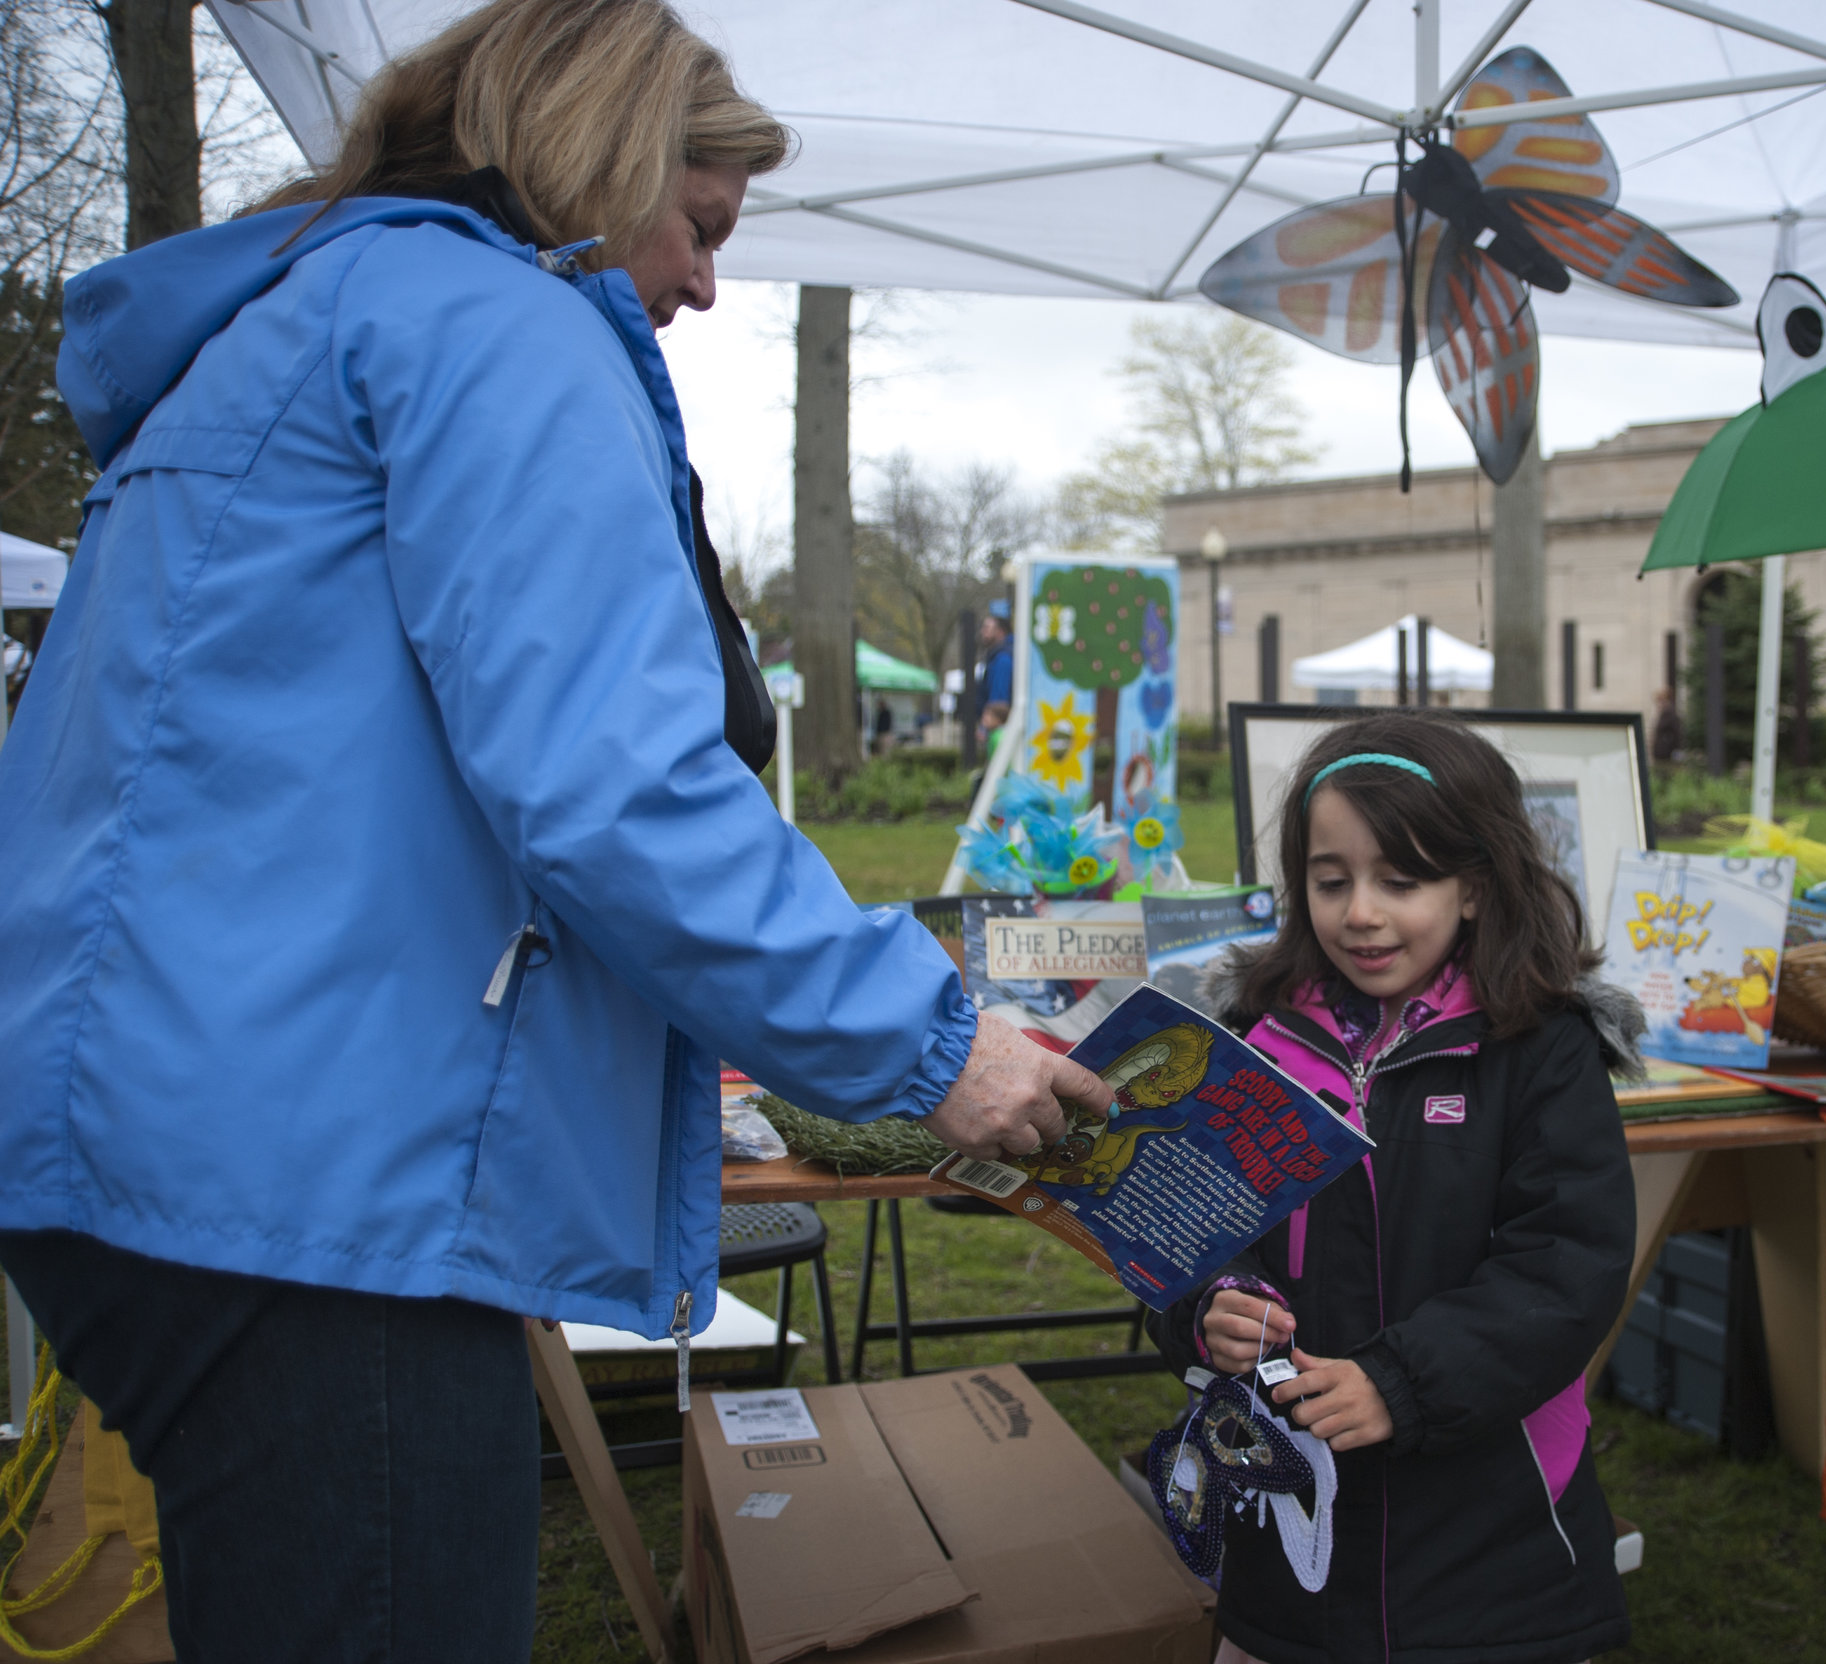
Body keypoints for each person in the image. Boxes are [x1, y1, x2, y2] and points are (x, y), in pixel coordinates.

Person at [0, 1, 1107, 1656]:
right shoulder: (494, 324)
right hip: (310, 1175)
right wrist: (933, 1041)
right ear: (599, 154)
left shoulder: (298, 323)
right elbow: (613, 778)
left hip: (158, 1127)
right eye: (701, 226)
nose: (707, 285)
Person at [1150, 711, 1642, 1664]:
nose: (1360, 912)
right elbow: (1188, 1237)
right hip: (1290, 1545)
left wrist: (1402, 1385)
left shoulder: (1540, 1048)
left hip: (1494, 1546)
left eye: (1400, 881)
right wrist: (1208, 1307)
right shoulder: (1250, 1040)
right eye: (1330, 881)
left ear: (1475, 887)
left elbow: (1565, 1268)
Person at [977, 599, 1015, 751]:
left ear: (1000, 631)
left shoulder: (1002, 659)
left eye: (987, 628)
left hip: (998, 730)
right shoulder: (999, 656)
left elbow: (999, 698)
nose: (983, 632)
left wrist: (985, 726)